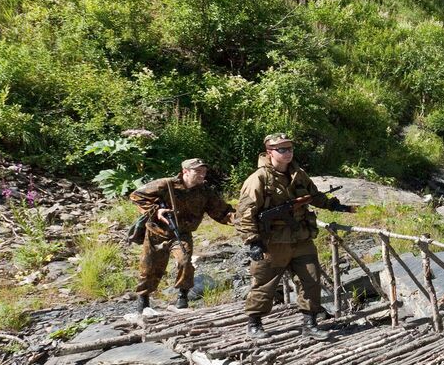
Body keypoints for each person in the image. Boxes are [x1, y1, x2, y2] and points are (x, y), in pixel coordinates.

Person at [234, 133, 351, 339]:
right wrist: (253, 241)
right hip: (273, 241)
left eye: (289, 149)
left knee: (311, 279)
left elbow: (313, 195)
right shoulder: (258, 179)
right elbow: (245, 213)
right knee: (265, 283)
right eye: (282, 149)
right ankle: (254, 323)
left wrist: (331, 204)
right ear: (270, 152)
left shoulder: (298, 173)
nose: (287, 153)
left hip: (300, 237)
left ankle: (310, 322)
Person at [129, 158, 234, 311]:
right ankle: (143, 299)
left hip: (182, 234)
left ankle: (182, 295)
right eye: (197, 171)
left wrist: (242, 220)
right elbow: (136, 196)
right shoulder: (166, 185)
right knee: (148, 269)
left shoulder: (205, 192)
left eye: (204, 171)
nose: (202, 175)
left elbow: (221, 211)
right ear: (185, 171)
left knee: (184, 261)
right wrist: (156, 210)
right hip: (157, 233)